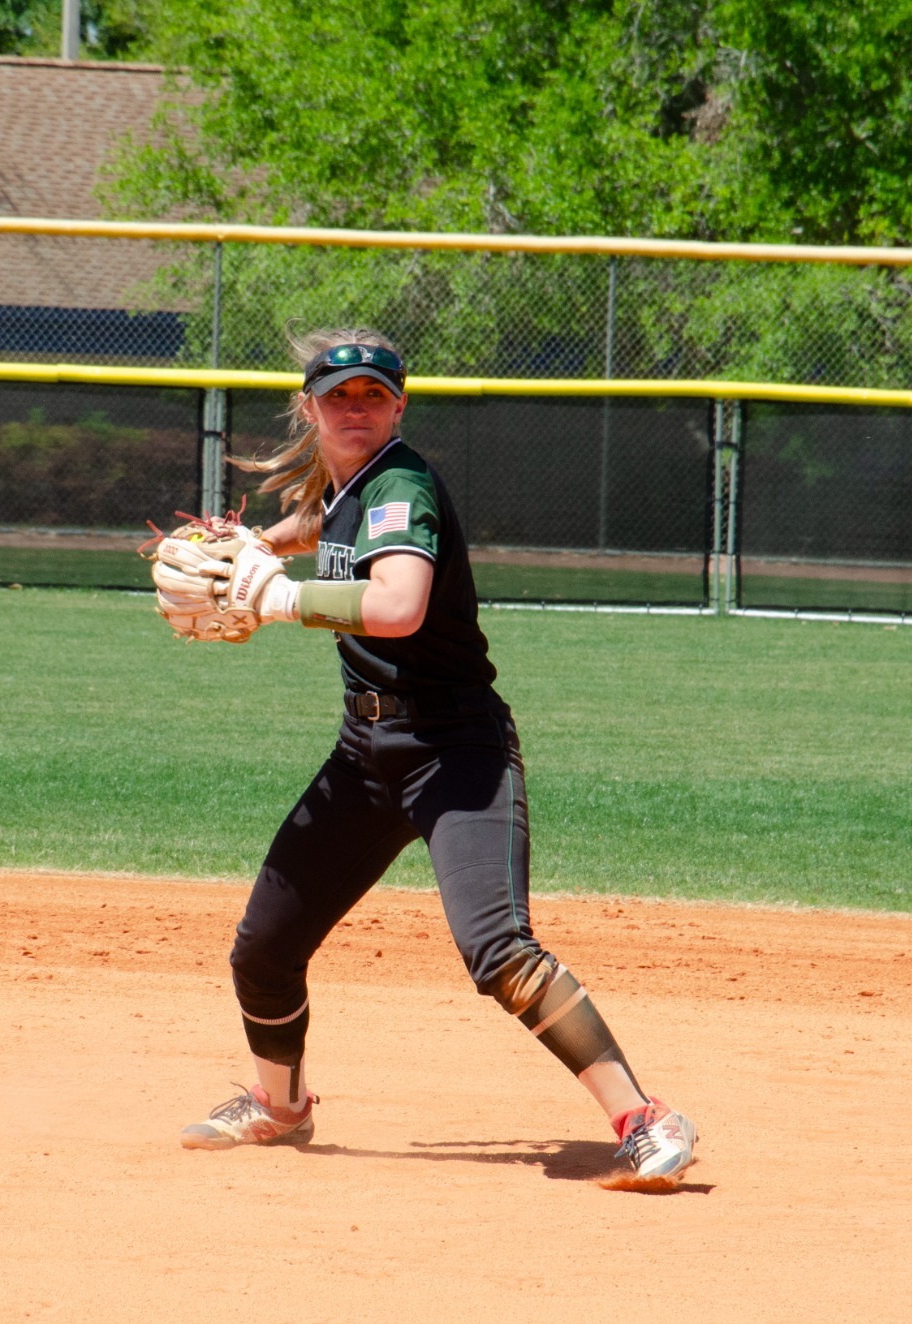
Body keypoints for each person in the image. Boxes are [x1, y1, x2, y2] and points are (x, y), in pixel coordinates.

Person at [170, 328, 698, 1182]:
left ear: (398, 406)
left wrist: (280, 596)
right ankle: (280, 1106)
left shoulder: (402, 483)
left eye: (372, 396)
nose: (354, 408)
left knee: (499, 951)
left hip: (456, 750)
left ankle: (646, 1118)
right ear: (310, 407)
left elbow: (400, 603)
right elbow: (324, 521)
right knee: (264, 947)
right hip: (366, 752)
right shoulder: (349, 486)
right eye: (337, 396)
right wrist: (262, 544)